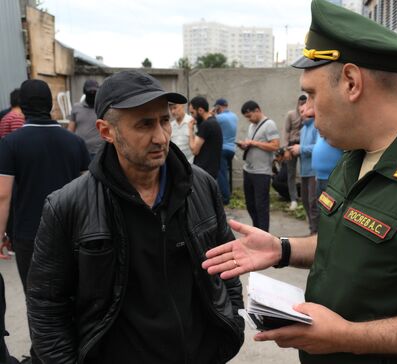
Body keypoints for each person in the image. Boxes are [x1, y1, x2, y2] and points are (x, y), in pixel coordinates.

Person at [202, 1, 397, 363]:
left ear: (352, 83)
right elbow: (352, 242)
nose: (305, 109)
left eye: (312, 94)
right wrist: (283, 249)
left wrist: (346, 336)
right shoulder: (355, 154)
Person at [25, 70, 244, 363]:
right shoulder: (68, 205)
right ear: (106, 131)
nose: (160, 137)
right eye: (144, 124)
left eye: (164, 121)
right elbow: (46, 307)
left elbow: (226, 267)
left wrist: (232, 329)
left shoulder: (201, 186)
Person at [0, 79, 90, 363]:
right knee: (73, 293)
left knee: (36, 300)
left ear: (22, 108)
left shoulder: (10, 144)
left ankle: (42, 356)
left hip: (28, 234)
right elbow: (87, 191)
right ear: (51, 105)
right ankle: (76, 349)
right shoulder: (74, 142)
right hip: (71, 231)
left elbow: (3, 195)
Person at [237, 100, 280, 232]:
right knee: (250, 205)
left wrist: (254, 143)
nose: (249, 120)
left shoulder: (269, 124)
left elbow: (275, 145)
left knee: (261, 206)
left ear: (257, 110)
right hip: (248, 170)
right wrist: (245, 145)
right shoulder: (252, 126)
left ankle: (264, 235)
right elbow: (253, 143)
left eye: (250, 116)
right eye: (246, 118)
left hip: (262, 172)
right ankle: (256, 231)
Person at [289, 105, 319, 234]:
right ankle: (312, 229)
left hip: (314, 171)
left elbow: (318, 148)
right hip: (304, 171)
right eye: (300, 111)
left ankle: (316, 233)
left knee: (313, 203)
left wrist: (301, 149)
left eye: (304, 111)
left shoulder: (317, 127)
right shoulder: (302, 129)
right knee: (306, 201)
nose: (302, 114)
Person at [188, 96, 223, 178]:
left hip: (204, 172)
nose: (192, 116)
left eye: (192, 113)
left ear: (200, 110)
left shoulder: (206, 125)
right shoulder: (213, 121)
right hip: (211, 171)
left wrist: (190, 129)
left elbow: (194, 150)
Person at [68, 79, 104, 159]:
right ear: (84, 92)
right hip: (80, 151)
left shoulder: (102, 108)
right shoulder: (76, 107)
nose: (92, 94)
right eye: (90, 92)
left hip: (99, 153)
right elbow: (70, 130)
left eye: (94, 92)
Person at [284, 95, 307, 210]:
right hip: (292, 145)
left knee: (305, 173)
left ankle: (304, 199)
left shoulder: (308, 114)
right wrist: (286, 149)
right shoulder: (291, 114)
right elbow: (287, 132)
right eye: (300, 103)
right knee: (291, 174)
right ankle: (293, 199)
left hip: (304, 145)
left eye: (304, 103)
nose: (301, 106)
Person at [213, 98, 238, 205]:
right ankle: (229, 192)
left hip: (222, 149)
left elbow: (208, 120)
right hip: (232, 149)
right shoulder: (234, 116)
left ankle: (225, 198)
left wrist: (212, 112)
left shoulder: (219, 117)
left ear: (219, 106)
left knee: (222, 174)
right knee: (227, 173)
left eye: (216, 107)